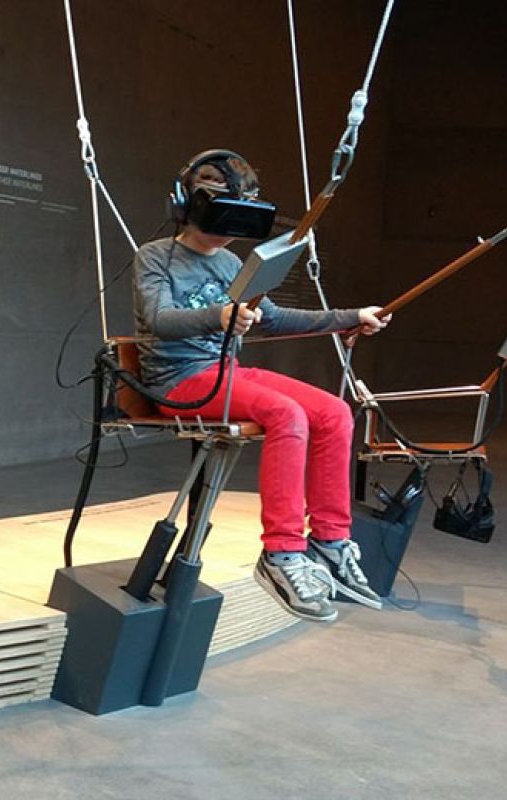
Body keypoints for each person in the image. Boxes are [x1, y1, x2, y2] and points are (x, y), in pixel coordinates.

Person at [132, 150, 390, 624]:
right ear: (190, 205)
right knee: (286, 414)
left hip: (225, 374)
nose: (232, 230)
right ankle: (282, 554)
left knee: (333, 412)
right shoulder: (155, 257)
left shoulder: (232, 264)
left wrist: (351, 318)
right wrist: (221, 315)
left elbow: (271, 320)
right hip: (180, 380)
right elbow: (158, 320)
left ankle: (331, 542)